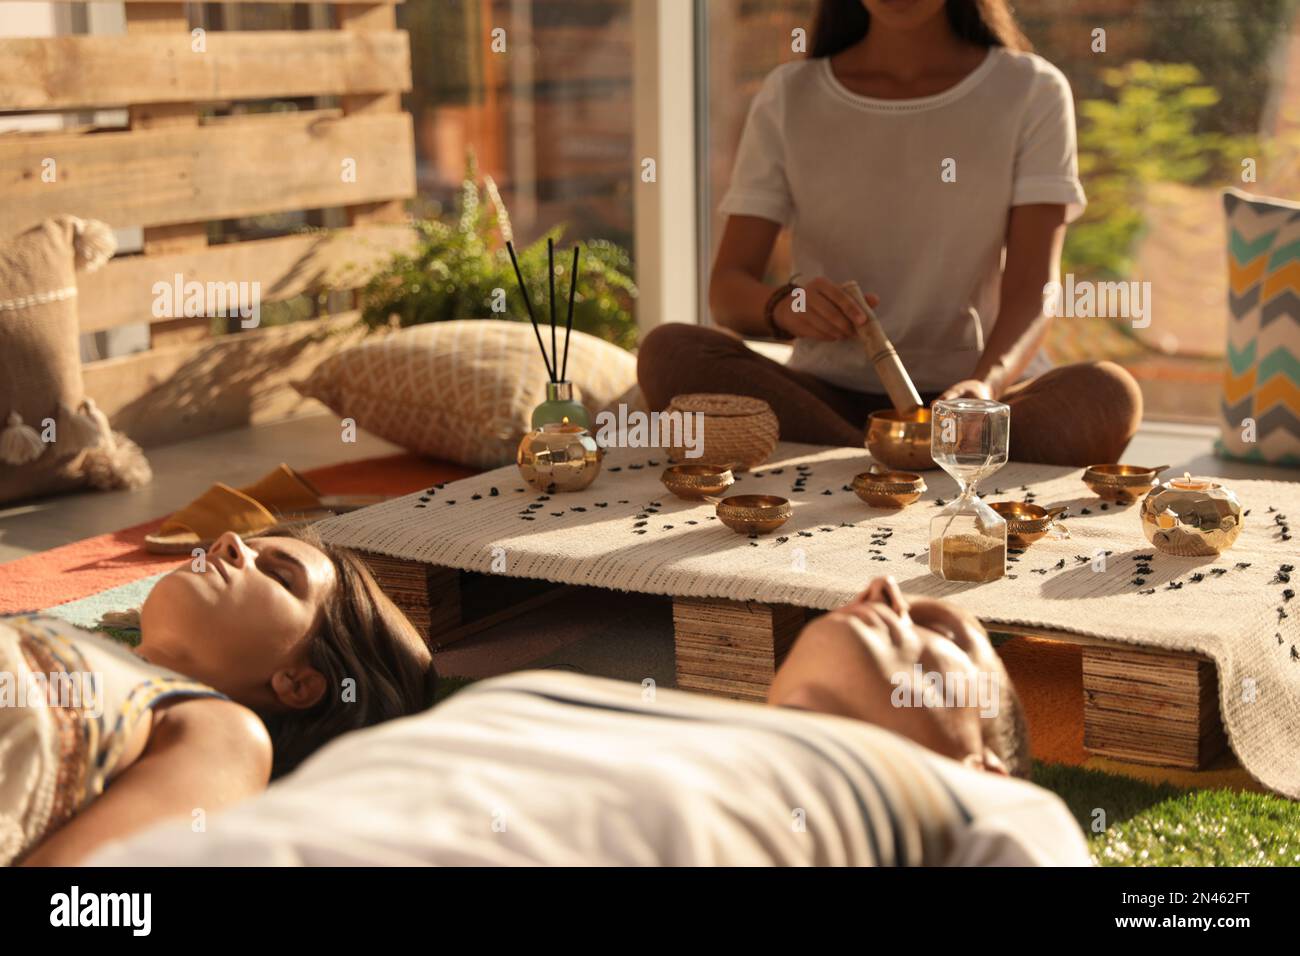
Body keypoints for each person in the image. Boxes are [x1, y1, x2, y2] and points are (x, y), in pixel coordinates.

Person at [88, 577, 1091, 867]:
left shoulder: (976, 806)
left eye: (940, 627)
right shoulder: (655, 726)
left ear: (989, 761)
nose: (884, 587)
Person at [638, 0, 1143, 466]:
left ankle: (865, 466)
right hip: (825, 397)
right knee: (671, 353)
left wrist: (984, 386)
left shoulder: (1032, 89)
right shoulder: (790, 94)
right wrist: (786, 306)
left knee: (1107, 394)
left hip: (972, 407)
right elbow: (728, 289)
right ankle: (907, 463)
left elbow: (1036, 286)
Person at [5, 527, 437, 866]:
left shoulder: (228, 737)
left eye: (280, 576)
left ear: (299, 683)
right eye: (244, 544)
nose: (229, 543)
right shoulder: (79, 647)